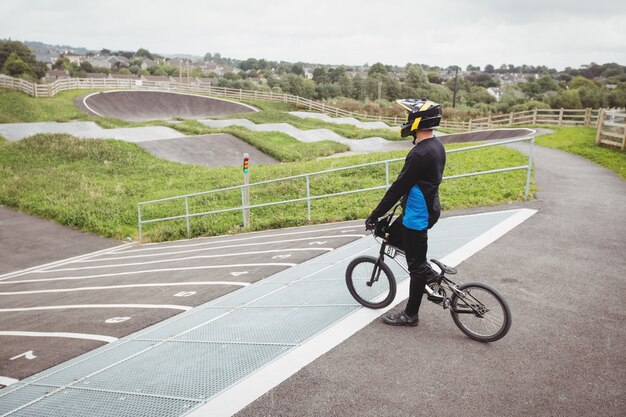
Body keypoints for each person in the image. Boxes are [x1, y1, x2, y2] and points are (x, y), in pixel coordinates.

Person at [365, 98, 446, 327]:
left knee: (415, 268)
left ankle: (411, 315)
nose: (407, 120)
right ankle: (425, 269)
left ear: (417, 121)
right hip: (427, 209)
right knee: (390, 233)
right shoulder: (436, 145)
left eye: (409, 116)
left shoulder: (420, 153)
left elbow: (398, 186)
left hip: (417, 216)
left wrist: (375, 214)